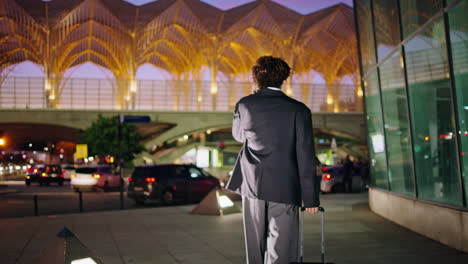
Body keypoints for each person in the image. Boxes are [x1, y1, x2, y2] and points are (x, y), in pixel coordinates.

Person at [226, 56, 320, 264]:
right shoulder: (299, 110)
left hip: (252, 186)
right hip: (285, 188)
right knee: (282, 250)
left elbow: (240, 136)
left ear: (256, 78)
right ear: (284, 78)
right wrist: (311, 198)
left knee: (255, 247)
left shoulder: (245, 104)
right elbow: (305, 156)